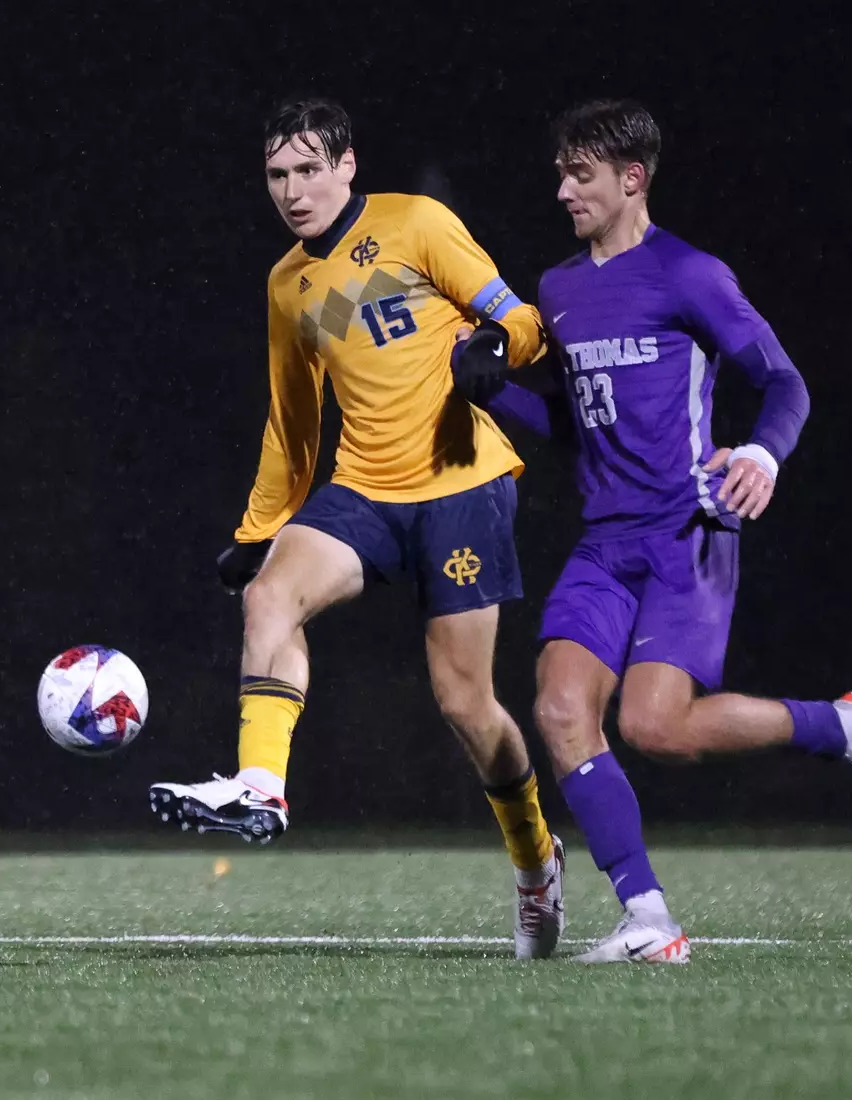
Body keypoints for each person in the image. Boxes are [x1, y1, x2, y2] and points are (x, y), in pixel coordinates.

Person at [483, 100, 852, 964]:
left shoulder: (688, 273)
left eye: (580, 174)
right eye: (560, 173)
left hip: (684, 531)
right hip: (602, 541)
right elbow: (579, 425)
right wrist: (489, 390)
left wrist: (761, 452)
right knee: (559, 707)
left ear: (631, 179)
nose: (563, 190)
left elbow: (785, 383)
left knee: (657, 729)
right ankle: (647, 918)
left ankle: (842, 727)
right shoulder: (559, 289)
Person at [147, 99, 565, 959]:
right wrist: (257, 529)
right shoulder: (286, 284)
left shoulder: (416, 223)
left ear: (346, 164)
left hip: (461, 485)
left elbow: (522, 320)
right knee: (270, 597)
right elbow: (292, 422)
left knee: (465, 705)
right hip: (363, 491)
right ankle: (261, 785)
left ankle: (535, 861)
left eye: (308, 169)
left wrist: (495, 345)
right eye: (276, 174)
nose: (292, 190)